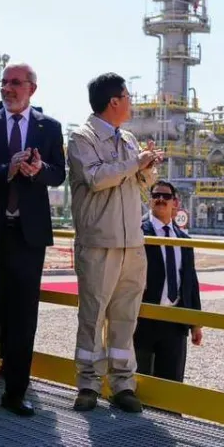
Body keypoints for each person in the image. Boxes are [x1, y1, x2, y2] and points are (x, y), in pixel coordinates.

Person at [0, 63, 66, 417]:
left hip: (28, 235)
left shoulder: (49, 127)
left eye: (15, 83)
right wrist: (8, 169)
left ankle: (16, 392)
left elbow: (58, 174)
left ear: (32, 88)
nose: (7, 88)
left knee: (23, 315)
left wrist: (37, 170)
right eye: (4, 82)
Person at [66, 72, 162, 413]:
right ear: (114, 102)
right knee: (93, 316)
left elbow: (141, 183)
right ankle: (88, 384)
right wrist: (135, 163)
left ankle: (123, 384)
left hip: (131, 243)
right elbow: (95, 178)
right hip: (99, 243)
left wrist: (147, 168)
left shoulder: (129, 139)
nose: (132, 103)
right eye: (128, 97)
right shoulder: (82, 138)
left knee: (125, 317)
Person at [133, 181, 203, 383]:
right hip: (143, 319)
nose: (161, 200)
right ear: (150, 200)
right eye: (156, 196)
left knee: (172, 383)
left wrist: (195, 323)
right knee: (140, 382)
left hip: (174, 321)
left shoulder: (184, 239)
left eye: (166, 196)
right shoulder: (137, 233)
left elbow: (190, 282)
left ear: (175, 202)